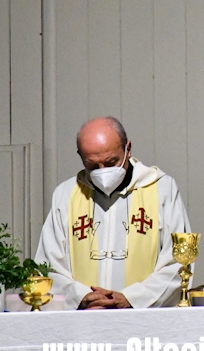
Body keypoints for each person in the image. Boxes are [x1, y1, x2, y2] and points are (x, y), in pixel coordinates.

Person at [35, 117, 191, 310]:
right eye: (92, 165)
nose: (103, 172)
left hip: (144, 322)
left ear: (128, 149)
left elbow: (177, 262)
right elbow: (48, 266)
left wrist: (131, 299)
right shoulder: (66, 195)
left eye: (111, 162)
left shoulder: (162, 189)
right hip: (83, 320)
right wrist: (83, 298)